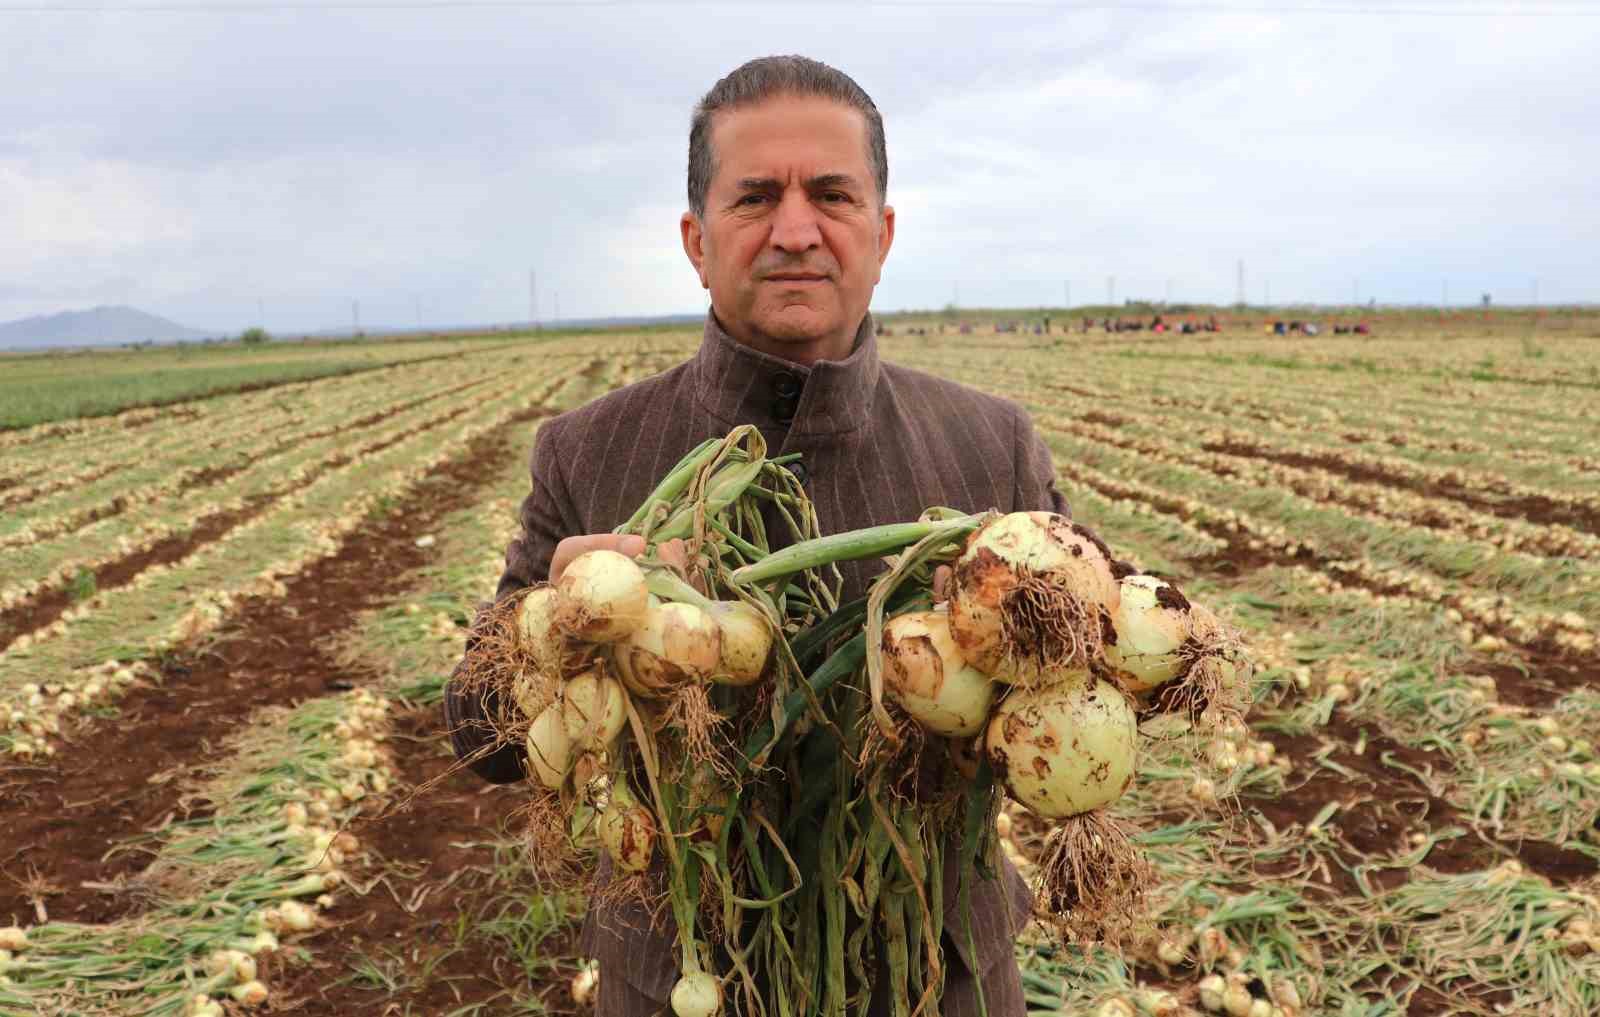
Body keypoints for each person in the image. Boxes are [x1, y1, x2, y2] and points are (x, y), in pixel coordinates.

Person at [443, 55, 1068, 1017]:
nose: (794, 231)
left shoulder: (993, 447)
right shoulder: (590, 450)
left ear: (882, 232)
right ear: (697, 241)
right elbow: (477, 733)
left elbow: (1093, 679)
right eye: (754, 199)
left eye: (831, 194)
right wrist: (556, 626)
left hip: (940, 982)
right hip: (682, 981)